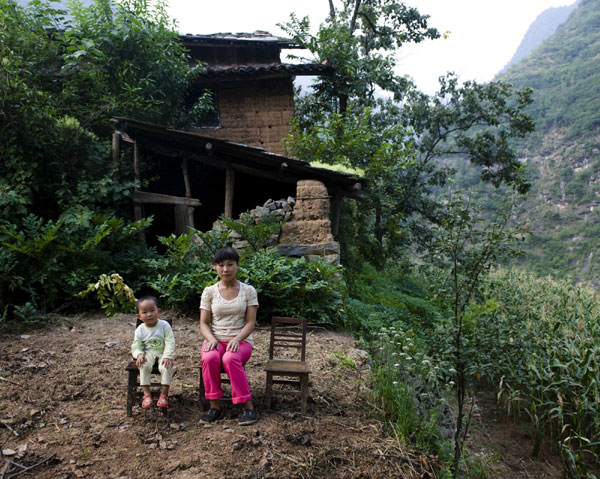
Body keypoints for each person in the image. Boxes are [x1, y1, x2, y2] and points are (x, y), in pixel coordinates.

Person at [199, 247, 259, 425]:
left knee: (230, 359)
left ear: (237, 266)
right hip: (215, 339)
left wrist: (237, 339)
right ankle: (214, 406)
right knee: (209, 358)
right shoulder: (209, 292)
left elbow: (250, 323)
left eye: (230, 265)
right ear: (215, 268)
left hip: (241, 341)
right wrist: (211, 339)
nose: (225, 269)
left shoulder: (248, 291)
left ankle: (248, 408)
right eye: (221, 265)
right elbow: (203, 323)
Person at [131, 296, 175, 409]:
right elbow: (136, 345)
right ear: (139, 316)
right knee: (144, 365)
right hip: (148, 353)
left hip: (163, 353)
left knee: (166, 367)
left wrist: (168, 356)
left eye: (152, 310)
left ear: (158, 311)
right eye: (145, 312)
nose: (149, 314)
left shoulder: (164, 326)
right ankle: (146, 394)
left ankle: (164, 394)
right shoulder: (140, 329)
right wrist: (139, 354)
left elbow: (170, 342)